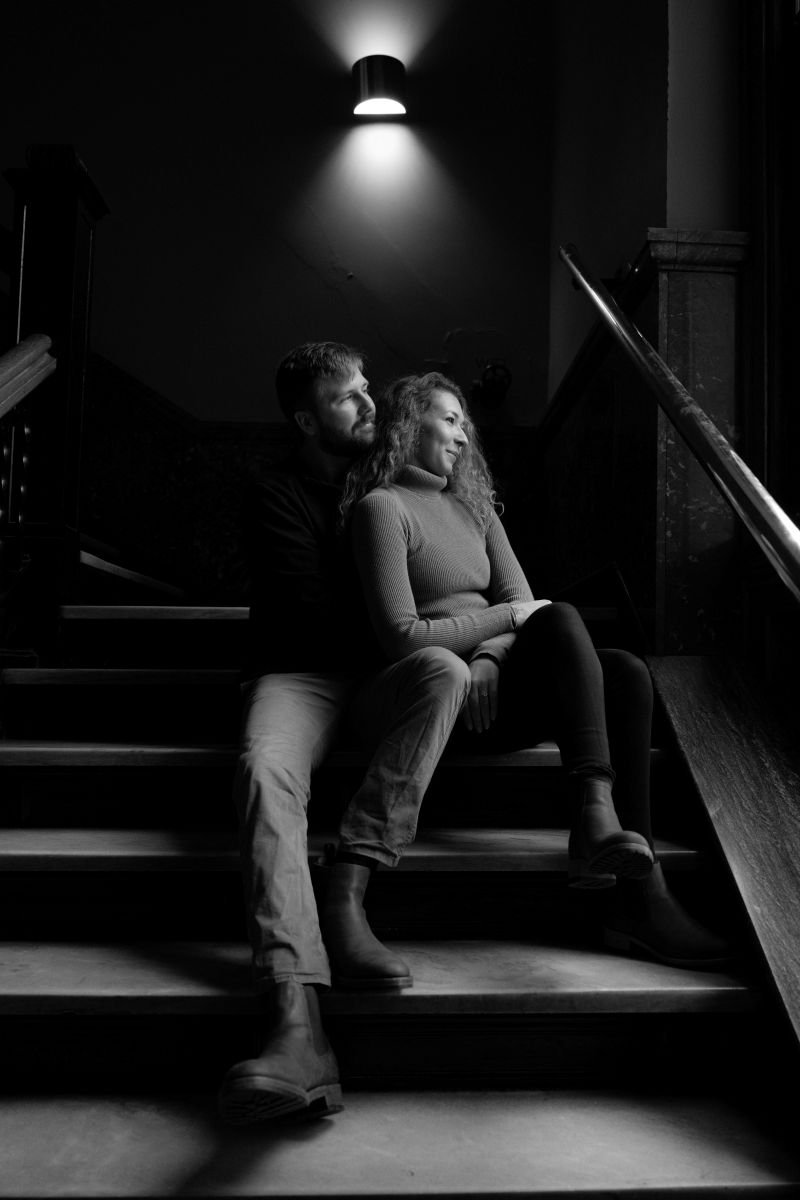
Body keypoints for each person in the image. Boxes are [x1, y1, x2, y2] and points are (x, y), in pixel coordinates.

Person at [341, 371, 732, 969]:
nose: (463, 437)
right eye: (449, 420)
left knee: (626, 672)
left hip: (493, 692)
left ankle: (639, 894)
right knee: (561, 616)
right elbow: (404, 635)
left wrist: (492, 657)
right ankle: (594, 816)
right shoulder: (382, 508)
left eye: (465, 424)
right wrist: (496, 633)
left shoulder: (476, 510)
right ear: (407, 425)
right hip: (440, 705)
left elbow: (527, 606)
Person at [218, 344, 481, 1126]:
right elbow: (309, 613)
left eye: (368, 389)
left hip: (379, 675)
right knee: (264, 772)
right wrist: (404, 623)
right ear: (307, 420)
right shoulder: (274, 492)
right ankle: (296, 1022)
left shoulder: (391, 479)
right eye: (347, 398)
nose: (369, 404)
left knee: (445, 672)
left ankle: (351, 880)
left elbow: (456, 582)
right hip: (297, 675)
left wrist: (458, 639)